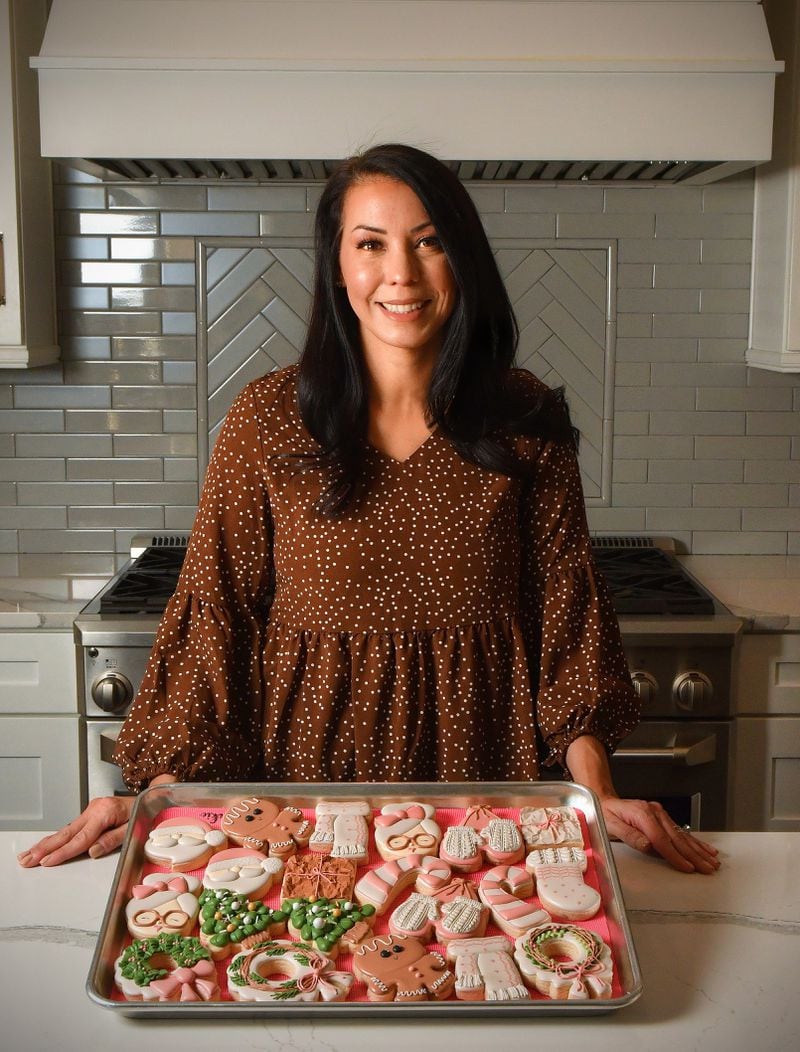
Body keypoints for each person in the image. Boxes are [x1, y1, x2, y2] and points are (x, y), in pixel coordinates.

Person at [18, 143, 719, 875]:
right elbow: (216, 616)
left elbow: (567, 621)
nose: (401, 275)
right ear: (338, 265)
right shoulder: (268, 420)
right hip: (305, 809)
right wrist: (158, 800)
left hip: (484, 806)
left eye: (429, 243)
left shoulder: (523, 418)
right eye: (371, 244)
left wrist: (595, 792)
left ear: (462, 260)